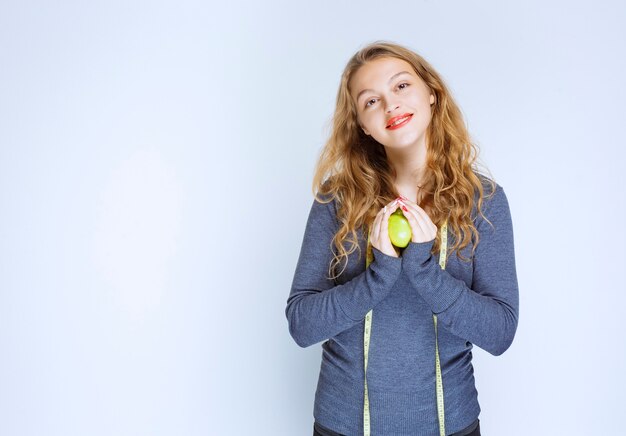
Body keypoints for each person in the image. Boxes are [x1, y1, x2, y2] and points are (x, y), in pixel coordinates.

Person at [285, 41, 519, 436]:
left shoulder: (484, 201)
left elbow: (500, 333)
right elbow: (301, 324)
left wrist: (426, 271)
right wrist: (378, 276)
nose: (390, 105)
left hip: (452, 426)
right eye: (370, 101)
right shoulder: (337, 199)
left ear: (431, 93)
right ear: (361, 123)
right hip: (342, 428)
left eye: (401, 86)